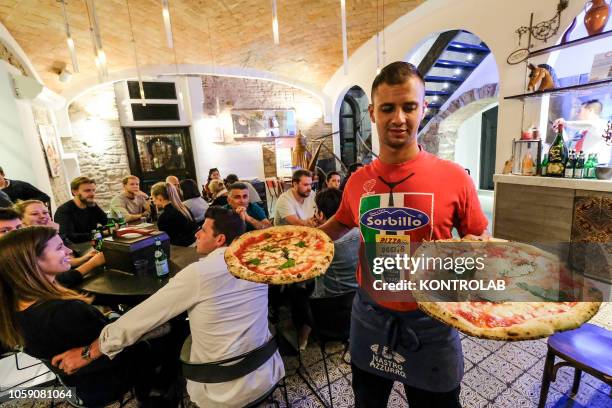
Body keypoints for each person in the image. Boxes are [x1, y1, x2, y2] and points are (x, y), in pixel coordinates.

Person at [319, 62, 489, 408]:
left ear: (422, 108)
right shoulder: (356, 182)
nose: (399, 118)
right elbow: (339, 223)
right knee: (367, 403)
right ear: (372, 113)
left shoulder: (454, 177)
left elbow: (479, 239)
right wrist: (299, 246)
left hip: (432, 321)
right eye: (388, 108)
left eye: (409, 106)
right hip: (370, 316)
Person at [51, 207, 285, 408]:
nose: (197, 233)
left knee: (168, 337)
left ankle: (158, 393)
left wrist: (87, 353)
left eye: (202, 229)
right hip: (266, 368)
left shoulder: (199, 274)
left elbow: (139, 320)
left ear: (220, 239)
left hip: (221, 389)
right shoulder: (257, 263)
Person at [0, 227, 177, 406]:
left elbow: (68, 280)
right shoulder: (66, 311)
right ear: (33, 262)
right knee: (174, 329)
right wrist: (116, 316)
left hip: (77, 384)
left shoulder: (10, 306)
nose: (69, 251)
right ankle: (157, 391)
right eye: (59, 248)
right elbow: (116, 346)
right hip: (108, 380)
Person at [13, 200, 106, 287]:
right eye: (34, 214)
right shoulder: (25, 245)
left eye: (45, 212)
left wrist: (83, 259)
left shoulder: (48, 233)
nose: (42, 216)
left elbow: (64, 259)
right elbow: (59, 280)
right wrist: (92, 263)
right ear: (20, 219)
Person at [312, 188, 359, 297]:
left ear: (321, 214)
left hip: (332, 299)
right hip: (361, 295)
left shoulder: (321, 245)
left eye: (315, 209)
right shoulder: (362, 232)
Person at [54, 177, 107, 243]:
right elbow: (68, 236)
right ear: (74, 192)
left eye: (93, 190)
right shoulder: (63, 211)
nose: (92, 194)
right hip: (77, 250)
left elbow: (107, 222)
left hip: (94, 243)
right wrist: (99, 234)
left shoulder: (92, 205)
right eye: (87, 191)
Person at [151, 182, 198, 246]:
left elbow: (166, 241)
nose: (152, 200)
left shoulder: (164, 217)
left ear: (160, 197)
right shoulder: (183, 208)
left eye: (153, 197)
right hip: (194, 242)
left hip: (182, 249)